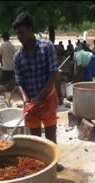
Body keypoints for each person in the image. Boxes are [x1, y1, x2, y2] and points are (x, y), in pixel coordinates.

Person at [13, 13, 59, 143]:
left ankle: (53, 163)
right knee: (35, 141)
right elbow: (19, 83)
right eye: (17, 34)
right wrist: (26, 100)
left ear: (31, 30)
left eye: (22, 33)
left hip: (48, 100)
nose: (19, 37)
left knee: (51, 140)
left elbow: (53, 74)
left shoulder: (47, 47)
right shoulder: (18, 57)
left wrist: (40, 97)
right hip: (31, 106)